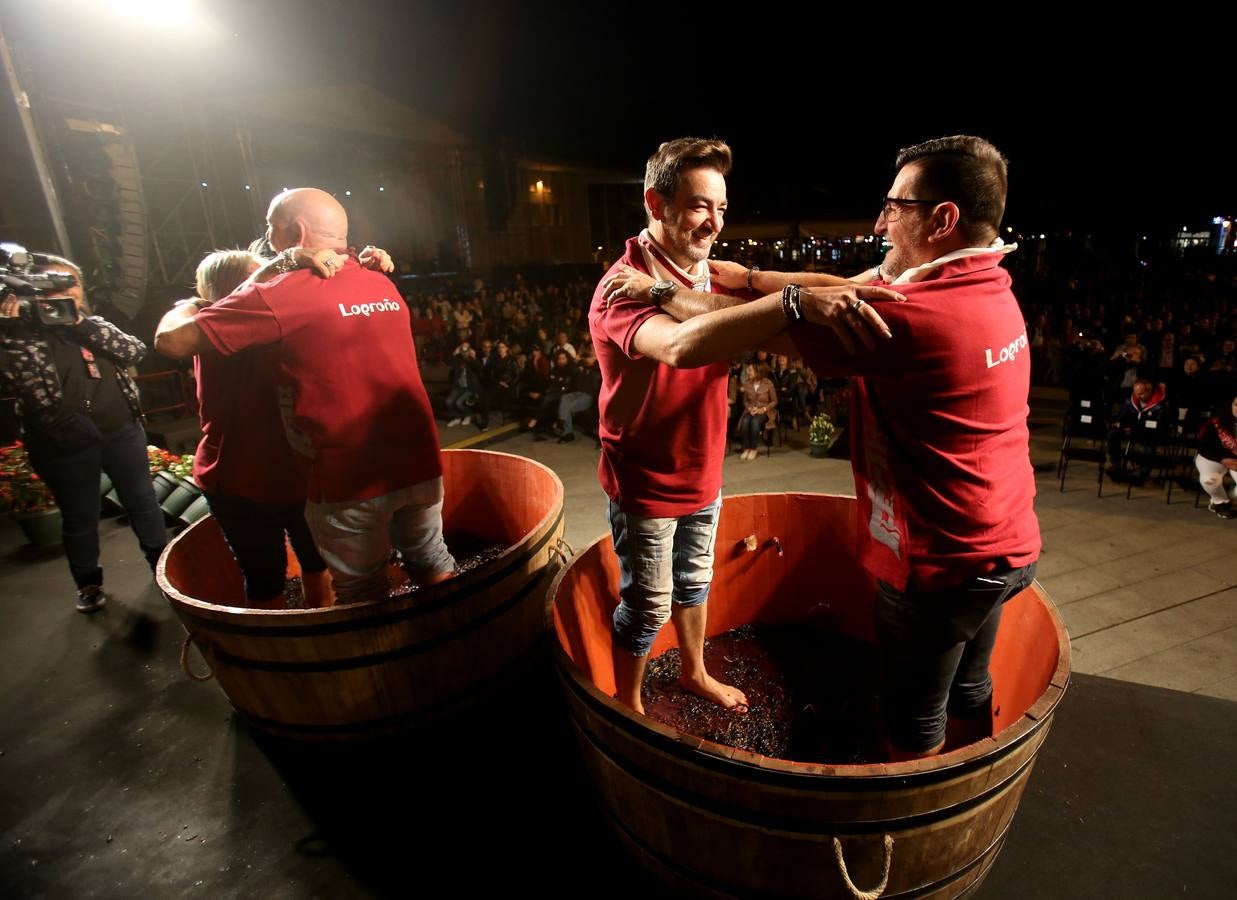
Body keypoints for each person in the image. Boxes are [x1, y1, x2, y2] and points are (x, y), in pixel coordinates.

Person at [603, 135, 1038, 761]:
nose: (881, 222)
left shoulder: (911, 315)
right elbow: (826, 289)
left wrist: (668, 293)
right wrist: (762, 282)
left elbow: (747, 330)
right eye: (702, 205)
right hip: (1008, 543)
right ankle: (978, 767)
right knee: (969, 687)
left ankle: (916, 808)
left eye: (897, 206)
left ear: (943, 219)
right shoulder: (985, 282)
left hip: (942, 562)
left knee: (914, 723)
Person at [590, 137, 898, 716]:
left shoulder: (709, 273)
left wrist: (771, 280)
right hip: (645, 478)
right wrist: (789, 304)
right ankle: (627, 706)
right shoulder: (623, 285)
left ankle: (693, 672)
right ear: (656, 203)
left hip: (703, 469)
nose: (714, 223)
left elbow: (812, 285)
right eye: (699, 206)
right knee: (648, 603)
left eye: (722, 208)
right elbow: (680, 344)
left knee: (695, 581)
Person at [155, 188, 455, 604]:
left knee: (361, 592)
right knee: (431, 559)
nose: (266, 238)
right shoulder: (379, 281)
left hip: (346, 477)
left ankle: (371, 648)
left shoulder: (279, 296)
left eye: (270, 227)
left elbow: (169, 341)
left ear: (295, 231)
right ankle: (455, 632)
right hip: (418, 463)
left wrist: (272, 271)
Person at [1, 257, 167, 613]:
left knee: (143, 501)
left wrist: (79, 323)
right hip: (64, 441)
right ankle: (88, 583)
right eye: (51, 287)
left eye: (70, 284)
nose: (64, 293)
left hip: (122, 430)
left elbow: (134, 350)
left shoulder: (93, 325)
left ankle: (164, 568)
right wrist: (13, 332)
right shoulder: (23, 335)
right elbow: (26, 384)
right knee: (80, 515)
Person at [1195, 392, 1237, 518]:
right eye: (1236, 405)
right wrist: (1222, 459)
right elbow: (1202, 447)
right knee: (1209, 479)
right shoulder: (1216, 422)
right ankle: (1220, 502)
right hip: (1214, 458)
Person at [735, 362, 776, 460]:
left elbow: (774, 401)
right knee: (745, 421)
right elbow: (745, 401)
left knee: (754, 421)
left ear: (757, 372)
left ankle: (753, 449)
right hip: (750, 410)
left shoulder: (768, 383)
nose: (747, 372)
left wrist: (763, 409)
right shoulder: (747, 383)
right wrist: (749, 408)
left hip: (765, 411)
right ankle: (746, 448)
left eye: (750, 370)